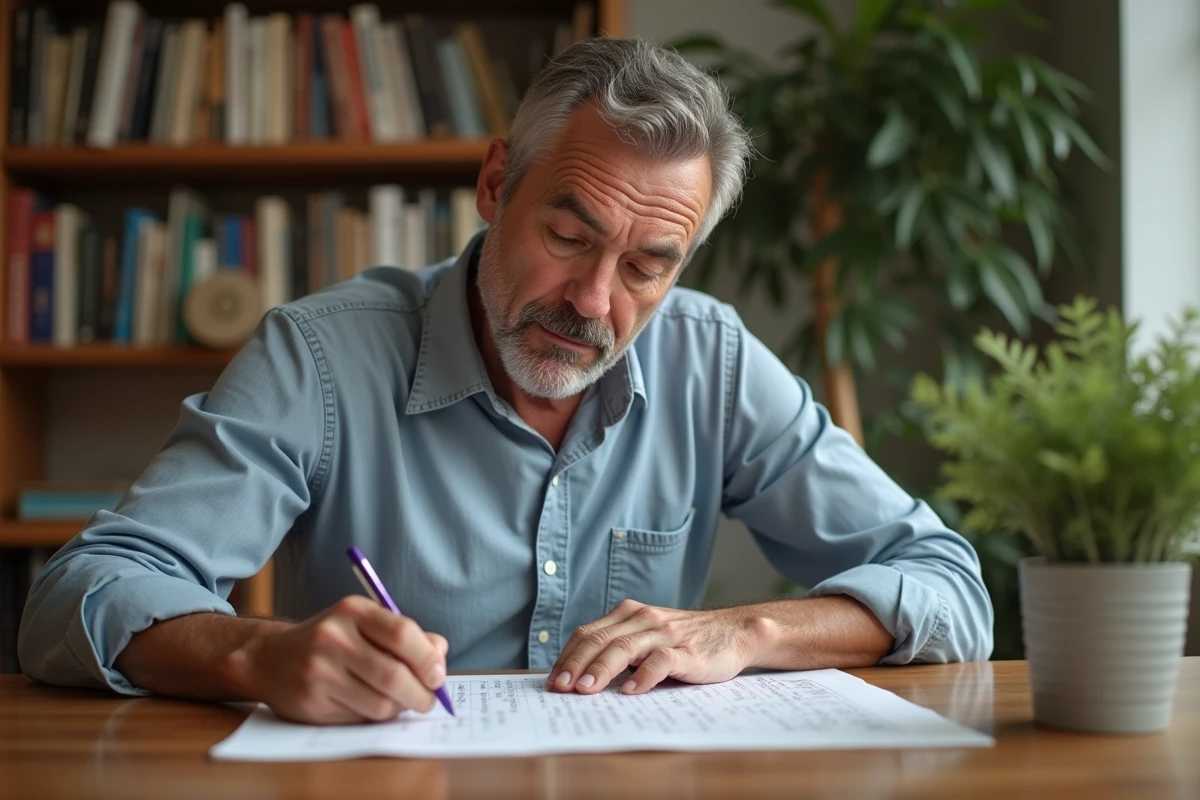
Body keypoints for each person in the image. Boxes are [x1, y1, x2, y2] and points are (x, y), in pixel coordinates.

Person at [18, 38, 992, 725]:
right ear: (495, 186)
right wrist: (259, 653)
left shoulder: (714, 359)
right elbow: (76, 597)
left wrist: (748, 628)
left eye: (650, 263)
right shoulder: (319, 357)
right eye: (568, 237)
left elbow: (949, 587)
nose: (594, 300)